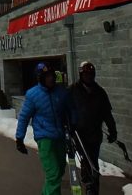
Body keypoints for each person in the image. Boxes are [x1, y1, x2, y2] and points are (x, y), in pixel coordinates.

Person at [15, 62, 75, 195]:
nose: (50, 79)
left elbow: (70, 110)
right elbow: (24, 117)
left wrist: (73, 125)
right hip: (44, 138)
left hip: (60, 136)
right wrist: (19, 138)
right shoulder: (33, 94)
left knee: (60, 169)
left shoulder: (61, 92)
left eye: (51, 76)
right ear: (40, 78)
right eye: (46, 76)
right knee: (53, 174)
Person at [69, 61, 117, 195]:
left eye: (90, 74)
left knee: (93, 161)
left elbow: (107, 113)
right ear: (81, 75)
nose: (88, 77)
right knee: (86, 158)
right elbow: (65, 108)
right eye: (85, 74)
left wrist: (113, 130)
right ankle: (88, 181)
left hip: (95, 134)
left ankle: (93, 187)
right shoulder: (73, 90)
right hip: (79, 133)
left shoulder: (100, 92)